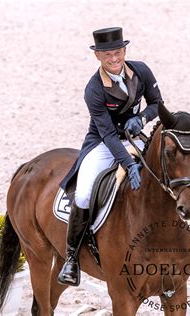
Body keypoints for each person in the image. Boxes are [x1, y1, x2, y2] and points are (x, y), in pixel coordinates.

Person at [57, 27, 162, 286]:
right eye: (107, 54)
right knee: (82, 194)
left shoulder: (141, 70)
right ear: (98, 57)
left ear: (124, 51)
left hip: (135, 136)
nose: (113, 59)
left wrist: (143, 118)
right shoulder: (93, 89)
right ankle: (72, 259)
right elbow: (107, 134)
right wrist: (128, 163)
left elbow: (157, 102)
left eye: (117, 52)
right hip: (103, 144)